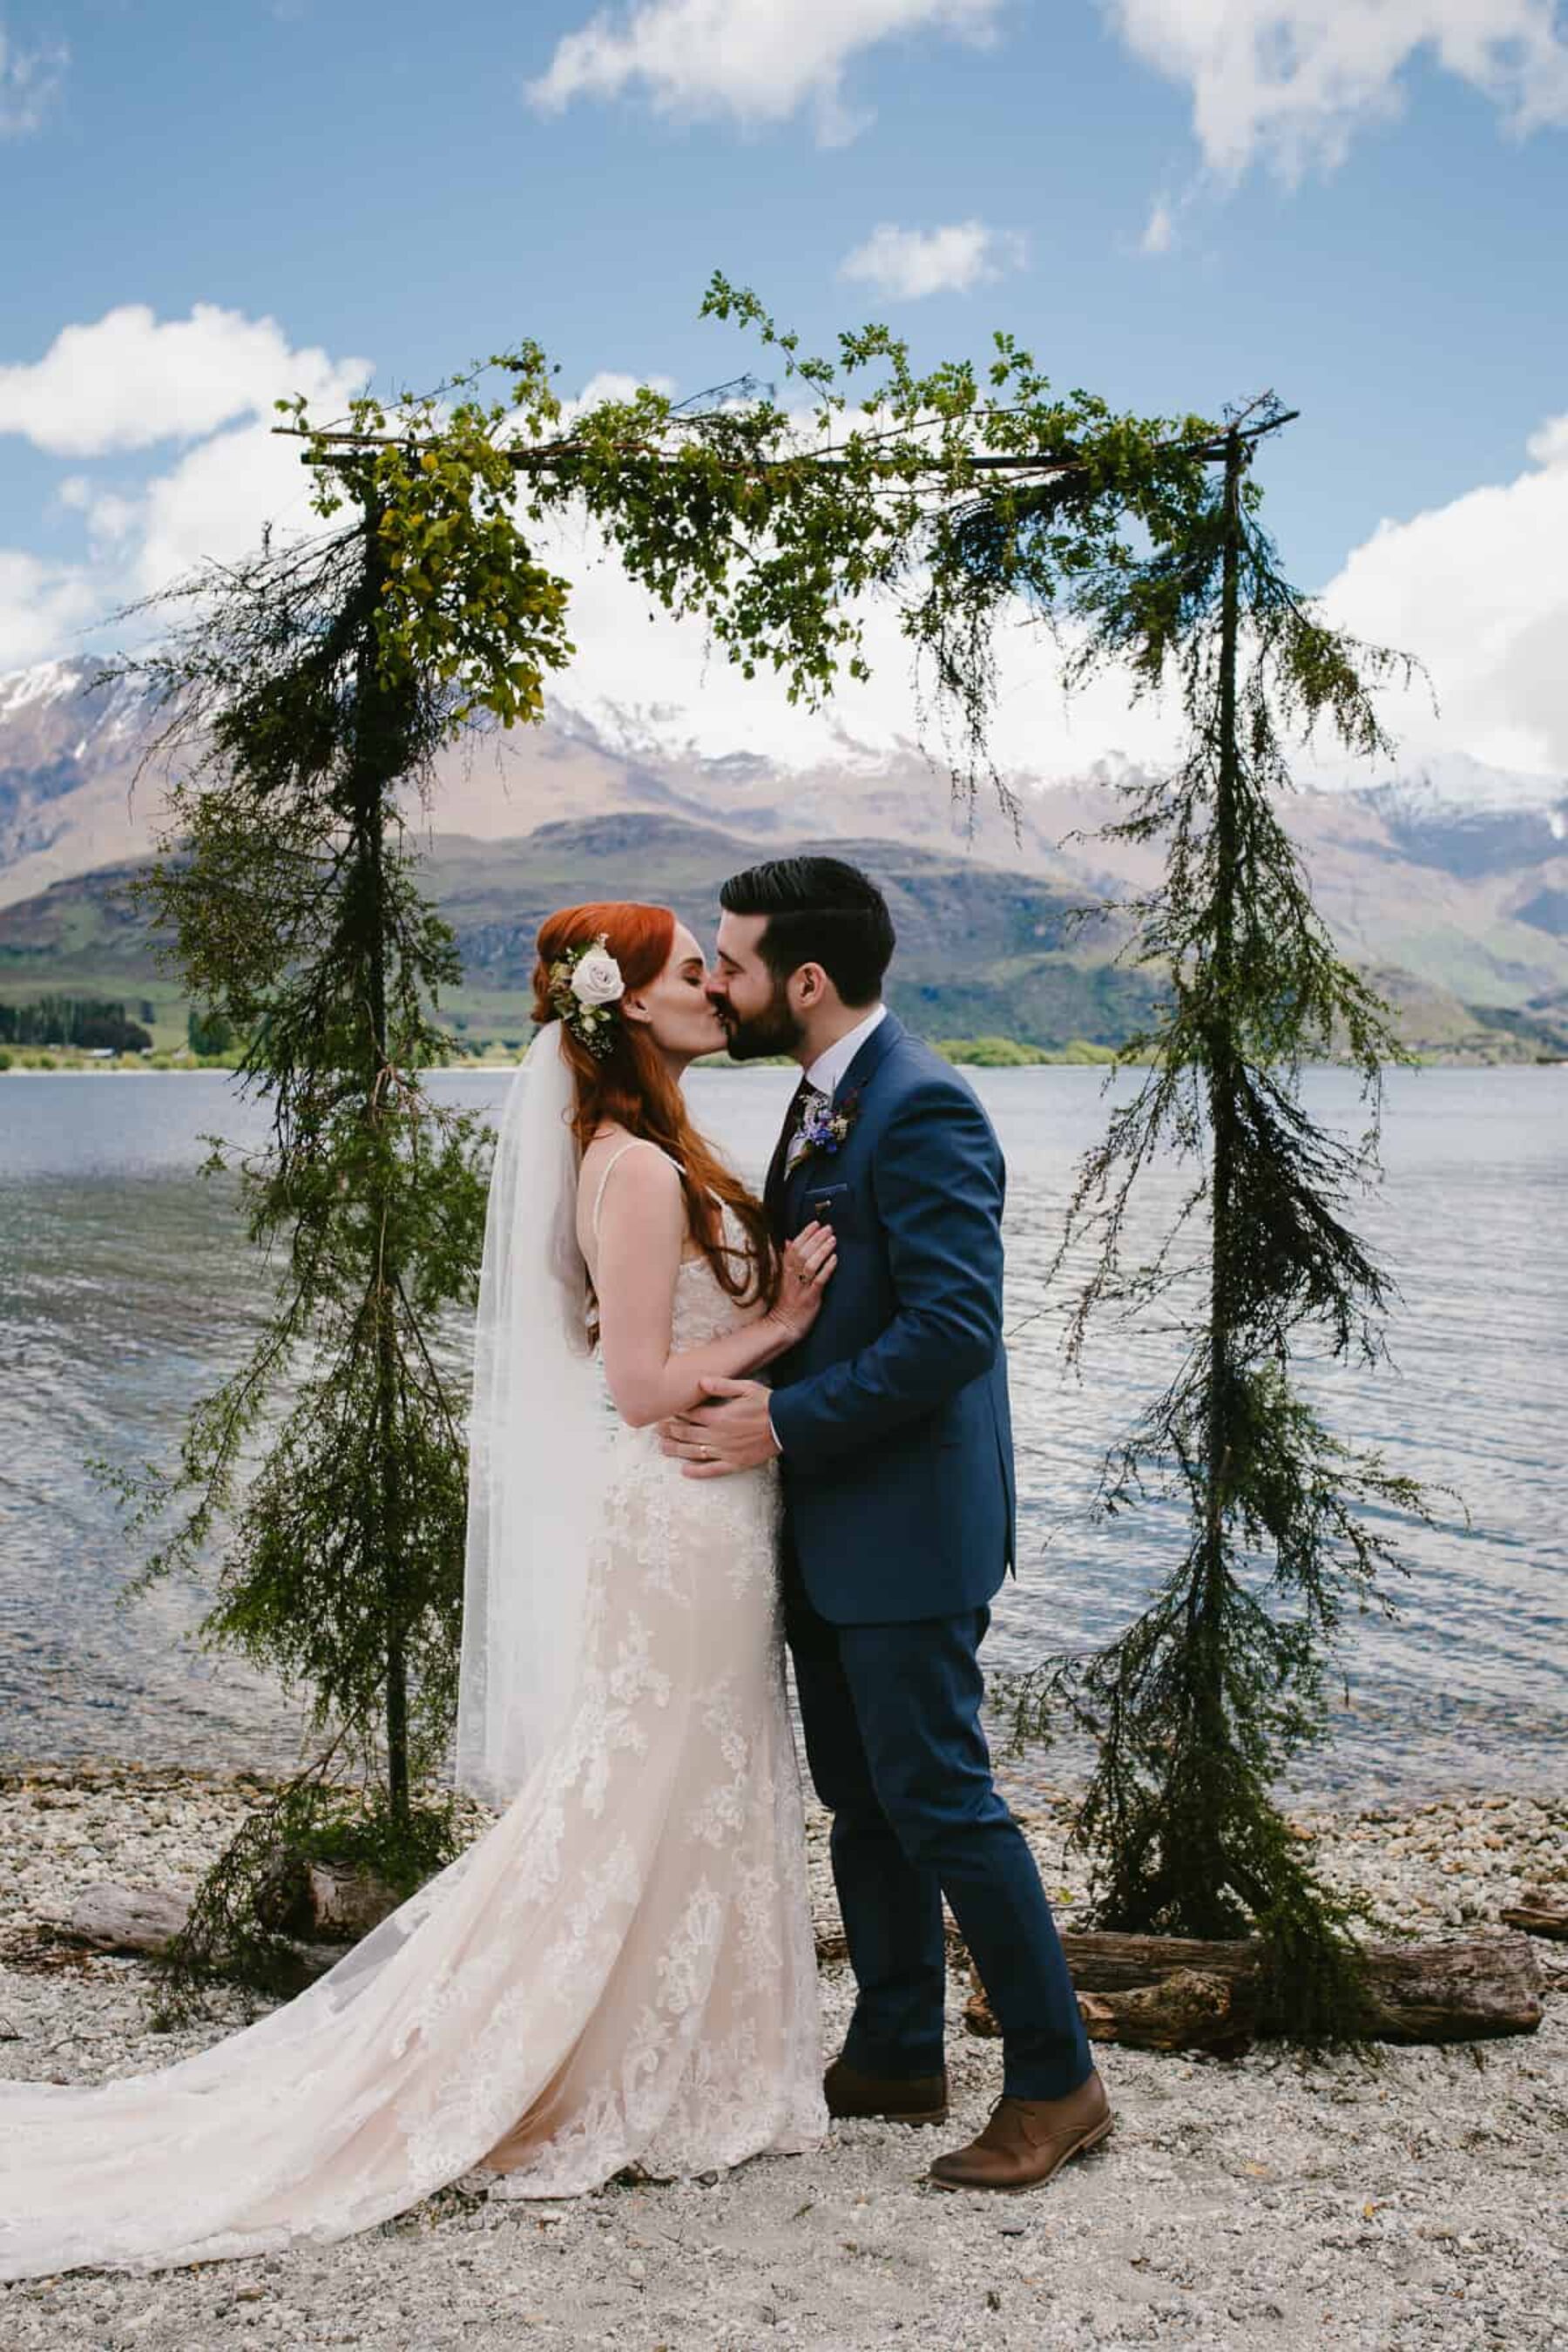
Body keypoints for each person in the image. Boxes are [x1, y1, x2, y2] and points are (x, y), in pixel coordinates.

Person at [0, 901, 834, 2282]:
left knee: (701, 1779)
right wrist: (784, 1325)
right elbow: (635, 1388)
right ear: (624, 1002)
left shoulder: (667, 1143)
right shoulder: (628, 1168)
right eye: (694, 971)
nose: (716, 988)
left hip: (720, 1513)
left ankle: (691, 2050)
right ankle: (578, 2059)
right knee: (642, 1784)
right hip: (682, 1512)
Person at [662, 855, 1112, 2193]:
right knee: (863, 1800)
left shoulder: (922, 1109)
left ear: (805, 979)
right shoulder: (823, 1105)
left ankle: (1057, 2079)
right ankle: (900, 2048)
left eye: (732, 962)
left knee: (945, 1801)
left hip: (908, 1529)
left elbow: (954, 1335)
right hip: (830, 1528)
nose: (718, 982)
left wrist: (781, 1423)